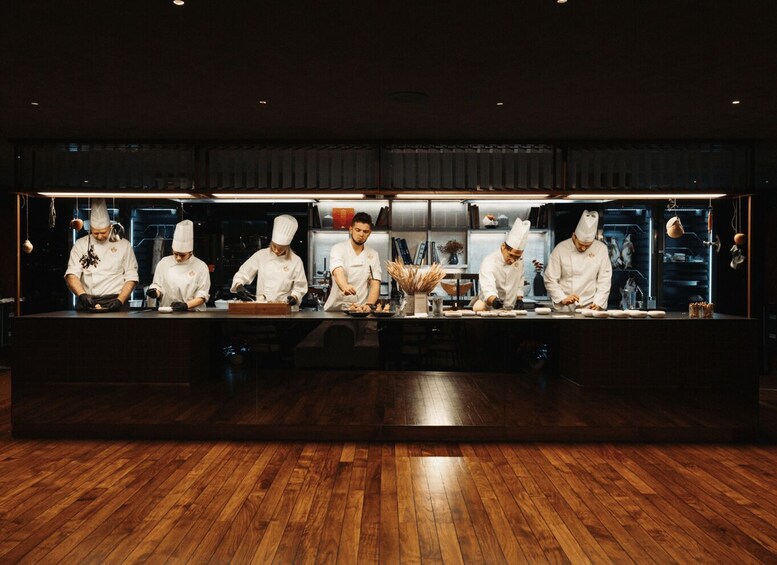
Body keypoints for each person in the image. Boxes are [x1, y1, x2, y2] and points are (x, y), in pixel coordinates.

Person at [65, 198, 138, 311]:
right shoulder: (80, 245)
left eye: (103, 232)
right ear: (90, 229)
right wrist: (81, 294)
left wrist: (120, 300)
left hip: (116, 300)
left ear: (110, 227)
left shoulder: (124, 245)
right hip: (87, 301)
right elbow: (72, 274)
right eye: (95, 233)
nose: (99, 236)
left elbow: (131, 277)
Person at [230, 214, 308, 305]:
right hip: (262, 306)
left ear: (287, 246)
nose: (276, 250)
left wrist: (294, 297)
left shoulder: (296, 261)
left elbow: (300, 287)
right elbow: (244, 272)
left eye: (281, 248)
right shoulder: (261, 255)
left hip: (285, 307)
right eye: (274, 246)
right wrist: (238, 285)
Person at [544, 210, 612, 311]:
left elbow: (604, 280)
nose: (583, 248)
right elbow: (550, 279)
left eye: (587, 246)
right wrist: (562, 298)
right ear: (574, 236)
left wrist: (599, 302)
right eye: (580, 244)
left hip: (591, 307)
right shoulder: (561, 249)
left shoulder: (601, 249)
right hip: (566, 308)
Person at [146, 220, 210, 311]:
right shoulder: (163, 263)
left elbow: (203, 295)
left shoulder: (201, 266)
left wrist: (186, 305)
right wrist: (155, 293)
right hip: (168, 312)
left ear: (190, 252)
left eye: (182, 255)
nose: (178, 258)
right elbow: (158, 286)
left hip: (193, 314)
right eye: (175, 254)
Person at [324, 211, 382, 312]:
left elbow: (375, 283)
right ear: (351, 230)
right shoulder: (338, 248)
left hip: (360, 310)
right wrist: (344, 286)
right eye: (358, 230)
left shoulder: (373, 254)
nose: (361, 234)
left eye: (365, 232)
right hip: (336, 309)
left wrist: (369, 305)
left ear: (369, 233)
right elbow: (337, 271)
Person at [473, 219, 531, 311]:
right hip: (490, 309)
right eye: (510, 255)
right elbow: (488, 287)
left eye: (517, 257)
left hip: (510, 309)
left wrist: (519, 299)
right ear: (503, 247)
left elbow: (520, 280)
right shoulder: (489, 262)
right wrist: (494, 301)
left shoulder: (519, 261)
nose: (513, 260)